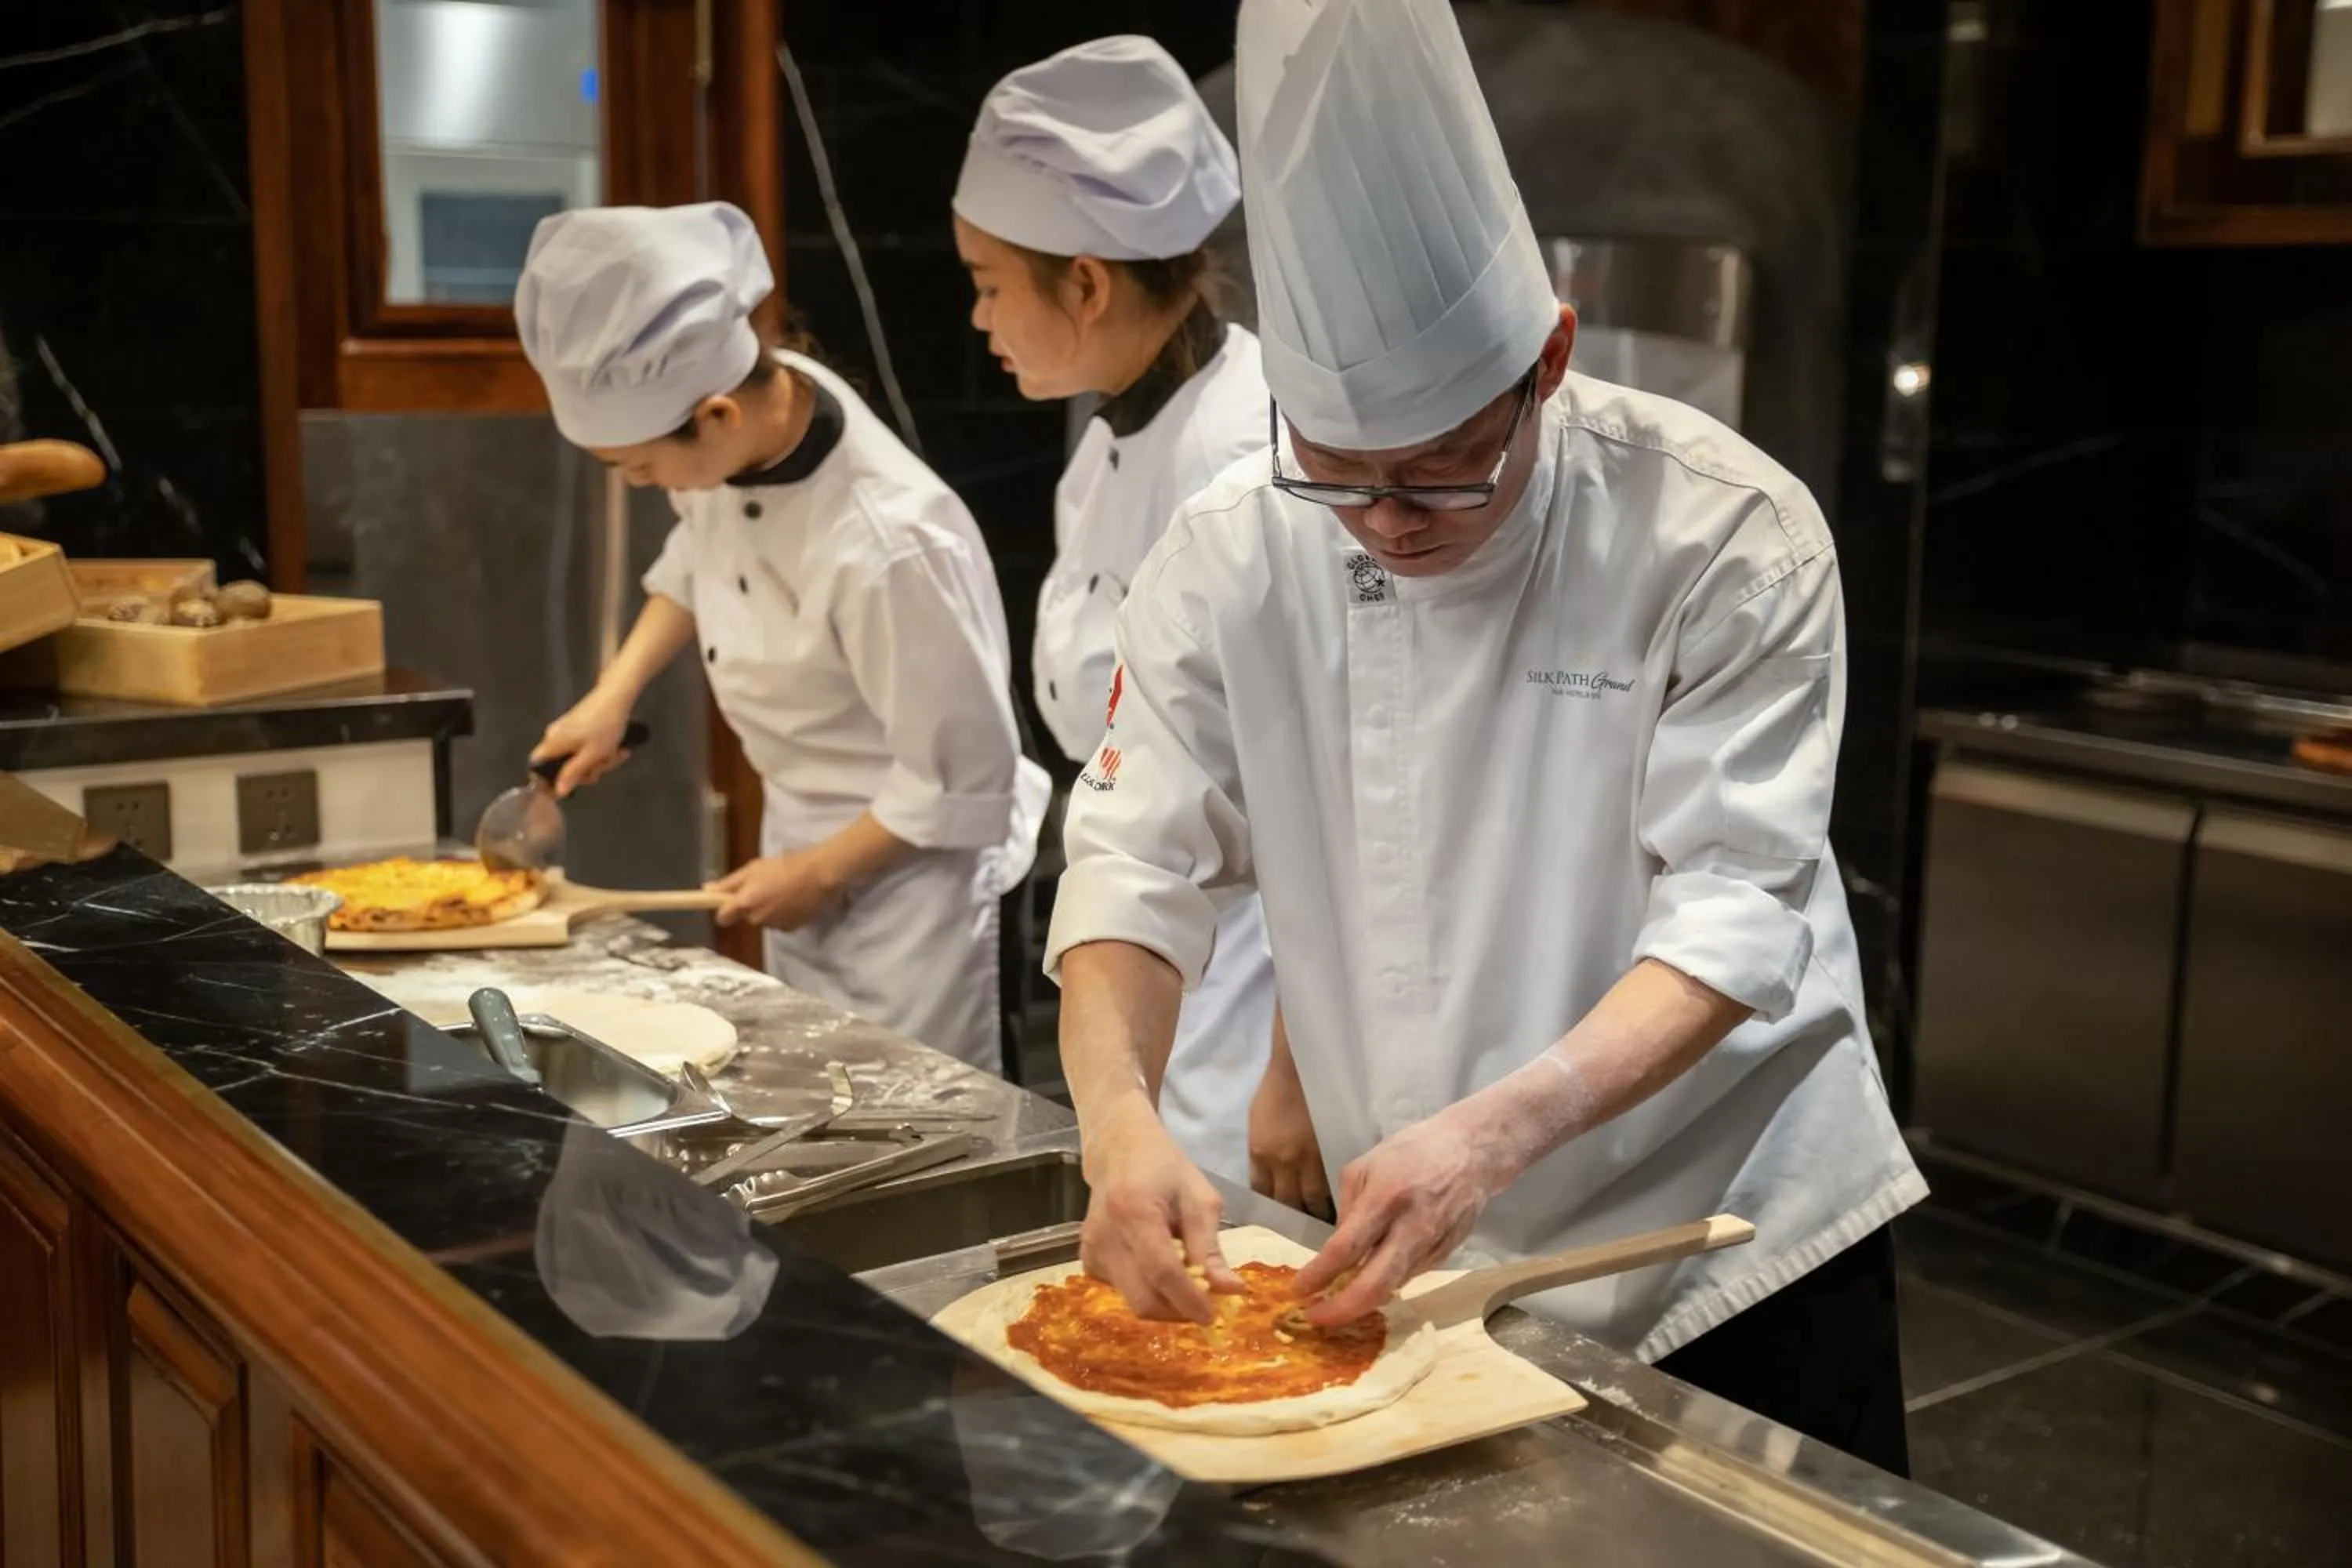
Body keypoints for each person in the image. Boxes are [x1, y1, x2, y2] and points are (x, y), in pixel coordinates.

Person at [1044, 0, 1926, 1472]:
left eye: (1449, 468)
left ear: (1552, 358)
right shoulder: (1225, 558)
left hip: (1713, 1231)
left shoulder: (1728, 535)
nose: (1388, 519)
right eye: (1337, 470)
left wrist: (1495, 1132)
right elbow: (1137, 870)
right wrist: (1120, 1121)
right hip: (1424, 1252)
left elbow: (1733, 914)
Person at [516, 201, 1049, 1075]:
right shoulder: (765, 405)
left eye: (641, 468)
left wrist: (823, 870)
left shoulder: (890, 542)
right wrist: (610, 699)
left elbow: (964, 777)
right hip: (803, 850)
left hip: (920, 891)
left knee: (926, 1129)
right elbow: (697, 555)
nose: (647, 488)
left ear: (718, 416)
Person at [950, 36, 1283, 1190]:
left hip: (1252, 1000)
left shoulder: (1248, 453)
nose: (980, 320)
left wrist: (1297, 1065)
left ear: (1085, 283)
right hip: (1152, 967)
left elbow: (1326, 788)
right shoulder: (1105, 449)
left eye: (990, 284)